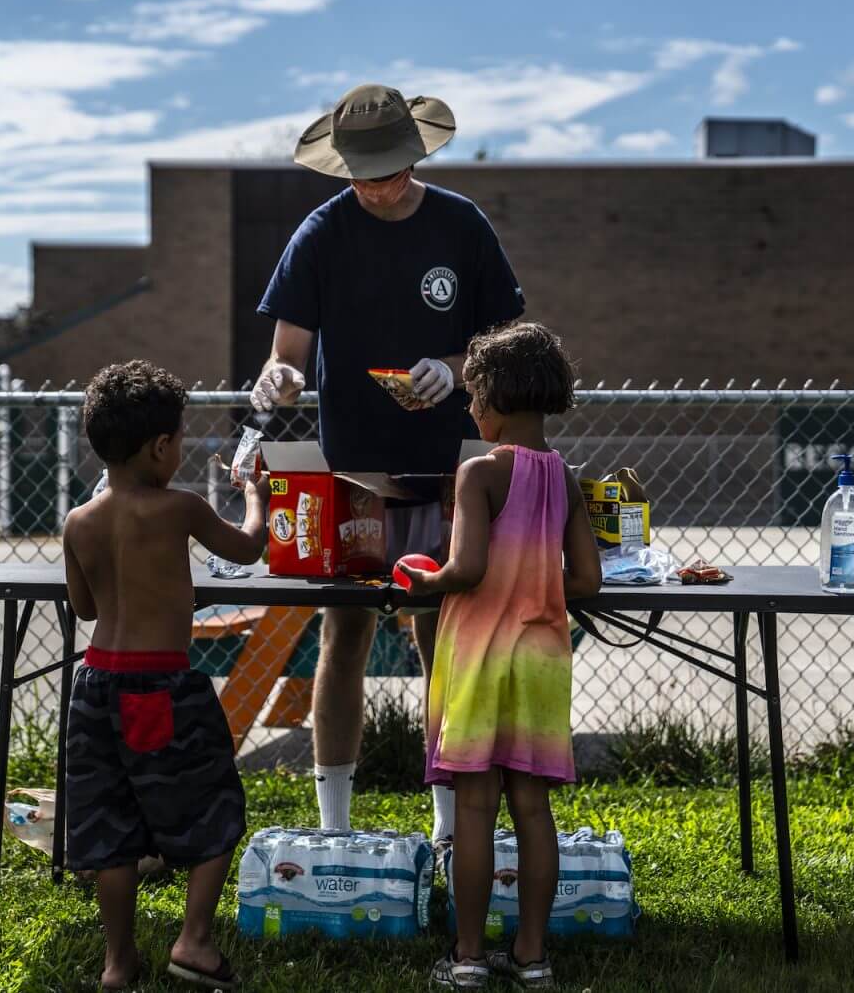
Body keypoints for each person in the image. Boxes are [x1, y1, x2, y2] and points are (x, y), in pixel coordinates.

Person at [251, 83, 525, 845]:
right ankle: (333, 824)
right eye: (363, 173)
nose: (377, 185)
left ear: (416, 155)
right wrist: (279, 378)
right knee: (343, 640)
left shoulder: (462, 225)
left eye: (392, 169)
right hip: (351, 474)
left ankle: (448, 828)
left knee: (441, 634)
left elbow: (505, 345)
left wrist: (452, 363)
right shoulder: (321, 232)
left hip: (449, 471)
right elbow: (288, 356)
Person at [397, 323, 602, 990]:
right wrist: (540, 585)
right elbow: (588, 580)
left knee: (477, 809)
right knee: (534, 809)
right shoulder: (566, 477)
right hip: (542, 655)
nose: (469, 407)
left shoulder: (480, 471)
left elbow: (467, 567)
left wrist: (425, 582)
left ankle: (467, 957)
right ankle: (533, 954)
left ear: (500, 400)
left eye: (474, 394)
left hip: (481, 654)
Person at [62, 359, 267, 992]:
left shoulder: (78, 521)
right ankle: (194, 942)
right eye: (178, 439)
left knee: (111, 828)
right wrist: (254, 492)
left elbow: (86, 607)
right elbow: (249, 547)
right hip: (162, 688)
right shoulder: (180, 508)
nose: (179, 449)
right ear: (159, 447)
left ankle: (118, 964)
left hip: (96, 687)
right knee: (216, 806)